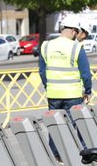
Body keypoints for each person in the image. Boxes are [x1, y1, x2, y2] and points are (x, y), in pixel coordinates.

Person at [39, 15, 92, 158]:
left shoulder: (46, 45)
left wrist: (48, 86)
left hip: (53, 94)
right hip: (72, 94)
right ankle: (70, 156)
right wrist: (87, 90)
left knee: (54, 124)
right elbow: (85, 74)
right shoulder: (76, 47)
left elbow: (42, 71)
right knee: (70, 125)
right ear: (74, 31)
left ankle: (56, 154)